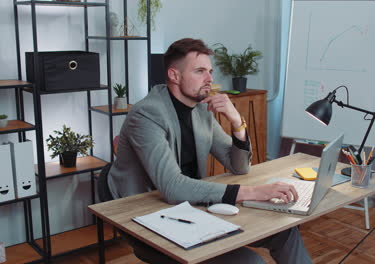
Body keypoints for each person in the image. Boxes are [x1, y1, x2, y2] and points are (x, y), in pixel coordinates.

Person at [107, 38, 313, 264]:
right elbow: (173, 187)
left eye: (210, 71)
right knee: (250, 262)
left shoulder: (201, 110)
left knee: (285, 233)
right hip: (146, 211)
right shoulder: (146, 114)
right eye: (200, 71)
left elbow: (238, 166)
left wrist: (236, 122)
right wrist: (255, 192)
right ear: (175, 75)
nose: (210, 79)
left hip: (192, 204)